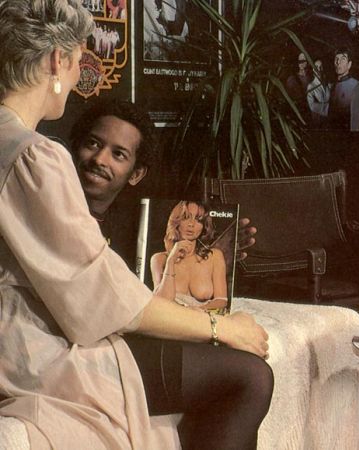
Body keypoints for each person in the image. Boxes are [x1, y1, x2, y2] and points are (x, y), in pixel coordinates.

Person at [0, 2, 272, 449]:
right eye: (77, 63)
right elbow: (99, 293)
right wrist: (222, 328)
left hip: (23, 344)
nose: (76, 78)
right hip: (30, 354)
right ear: (56, 60)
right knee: (250, 376)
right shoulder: (34, 154)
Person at [70, 98, 258, 268]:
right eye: (93, 144)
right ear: (75, 147)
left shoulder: (132, 232)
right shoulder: (55, 210)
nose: (100, 159)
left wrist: (209, 261)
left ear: (136, 174)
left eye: (118, 154)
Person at [151, 200, 228, 312]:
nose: (191, 224)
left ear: (204, 226)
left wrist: (194, 311)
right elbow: (161, 302)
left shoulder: (215, 256)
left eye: (198, 220)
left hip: (201, 318)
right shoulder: (159, 259)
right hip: (170, 318)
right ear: (176, 222)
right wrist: (170, 261)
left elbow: (221, 301)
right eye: (186, 218)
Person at [328, 48, 358, 129]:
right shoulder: (332, 86)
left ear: (349, 64)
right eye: (336, 59)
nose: (338, 62)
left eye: (343, 59)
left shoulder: (356, 86)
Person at [306, 58, 330, 128]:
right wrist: (329, 108)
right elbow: (312, 105)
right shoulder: (311, 86)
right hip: (318, 122)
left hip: (329, 121)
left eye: (321, 67)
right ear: (313, 69)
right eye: (316, 67)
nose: (319, 69)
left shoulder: (327, 85)